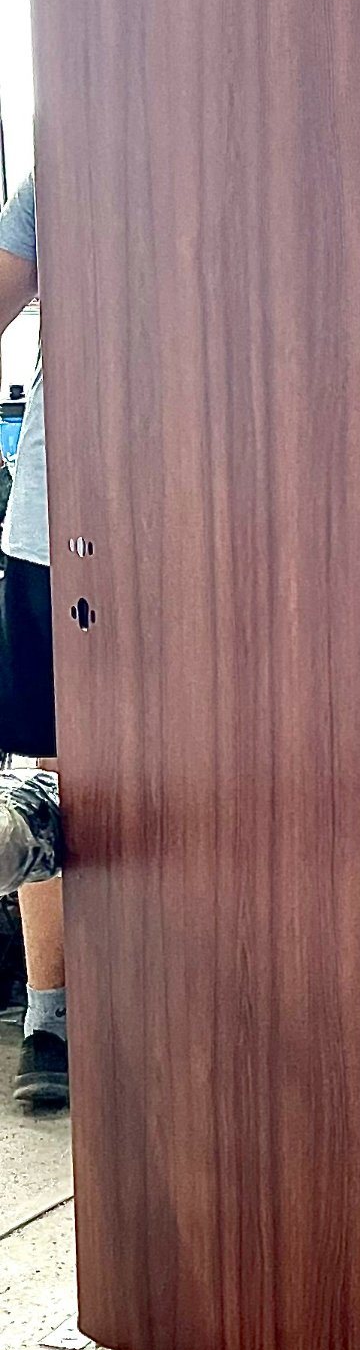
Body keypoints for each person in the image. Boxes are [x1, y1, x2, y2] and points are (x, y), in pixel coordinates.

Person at [0, 171, 66, 1107]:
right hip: (58, 526)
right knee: (55, 770)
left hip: (212, 521)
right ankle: (48, 1015)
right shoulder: (63, 157)